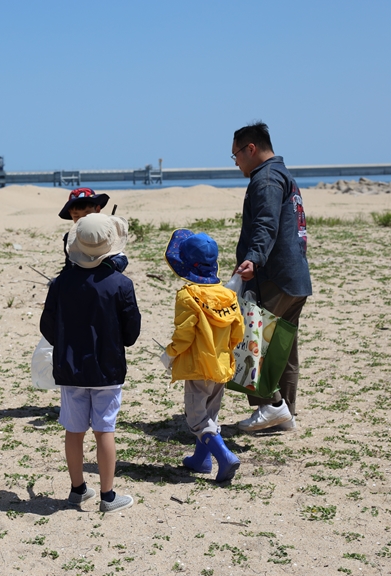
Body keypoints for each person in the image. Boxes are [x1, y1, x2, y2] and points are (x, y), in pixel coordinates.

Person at [40, 213, 141, 512]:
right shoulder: (121, 284)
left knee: (74, 430)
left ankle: (78, 489)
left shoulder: (60, 283)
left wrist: (66, 343)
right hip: (107, 369)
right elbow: (131, 333)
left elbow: (47, 327)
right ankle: (108, 496)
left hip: (70, 367)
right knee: (104, 430)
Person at [231, 121, 311, 431]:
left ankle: (271, 407)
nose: (236, 162)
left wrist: (253, 258)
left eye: (236, 155)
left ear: (250, 149)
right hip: (294, 278)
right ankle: (285, 415)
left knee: (251, 341)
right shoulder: (282, 174)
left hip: (274, 277)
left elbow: (266, 223)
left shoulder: (265, 178)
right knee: (284, 348)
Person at [163, 229, 244, 482]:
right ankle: (201, 459)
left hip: (198, 366)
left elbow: (184, 334)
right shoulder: (228, 295)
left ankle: (224, 457)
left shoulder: (188, 295)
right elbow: (238, 332)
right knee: (210, 412)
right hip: (221, 364)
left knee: (197, 418)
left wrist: (171, 352)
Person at [58, 187, 128, 272]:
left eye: (86, 215)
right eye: (76, 216)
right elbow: (69, 263)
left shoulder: (105, 232)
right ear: (70, 214)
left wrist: (111, 264)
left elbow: (121, 258)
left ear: (97, 209)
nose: (82, 220)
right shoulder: (69, 238)